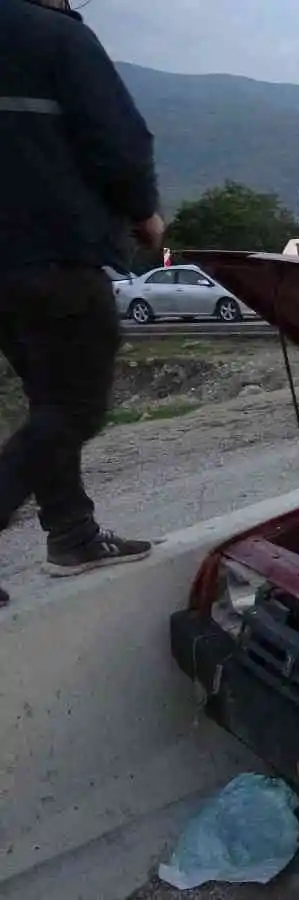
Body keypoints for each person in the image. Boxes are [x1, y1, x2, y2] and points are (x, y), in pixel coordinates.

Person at [0, 0, 164, 599]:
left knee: (48, 405)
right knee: (75, 407)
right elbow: (117, 139)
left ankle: (72, 534)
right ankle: (71, 534)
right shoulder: (55, 35)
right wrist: (143, 211)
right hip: (52, 253)